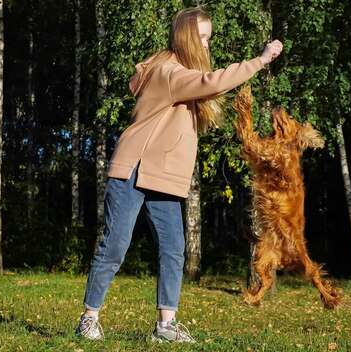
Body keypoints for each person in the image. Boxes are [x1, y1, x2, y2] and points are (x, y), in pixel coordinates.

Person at [76, 7, 282, 343]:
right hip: (134, 169)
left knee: (174, 249)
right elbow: (210, 82)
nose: (206, 44)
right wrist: (260, 61)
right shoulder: (168, 72)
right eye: (202, 37)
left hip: (163, 176)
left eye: (209, 38)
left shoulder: (178, 74)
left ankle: (165, 326)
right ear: (186, 37)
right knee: (114, 246)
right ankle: (89, 318)